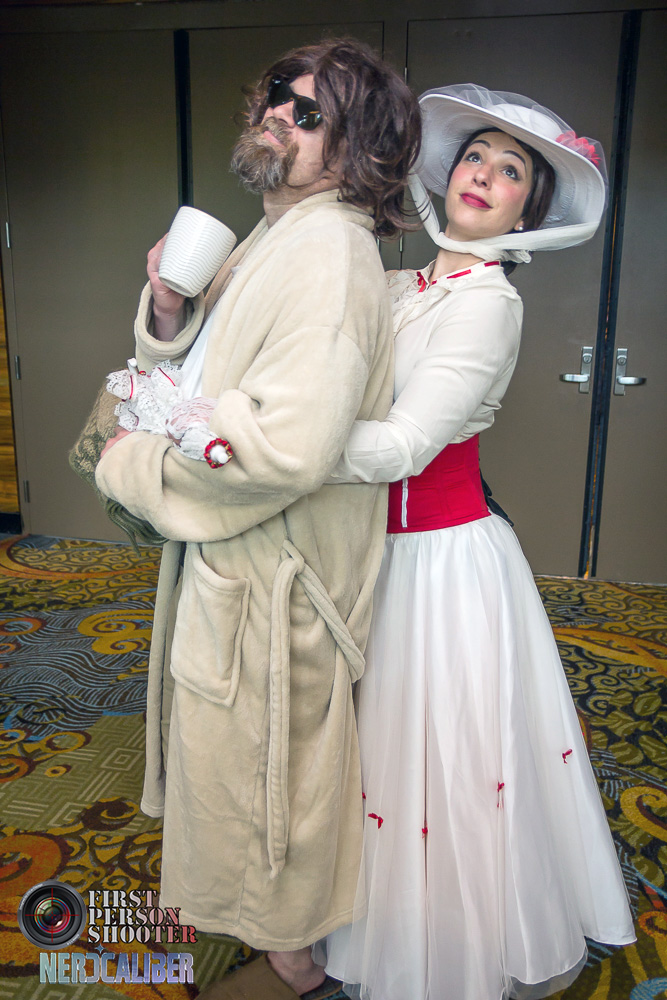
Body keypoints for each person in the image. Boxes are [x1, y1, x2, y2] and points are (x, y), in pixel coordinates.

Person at [94, 39, 421, 1000]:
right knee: (237, 776)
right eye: (279, 94)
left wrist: (130, 462)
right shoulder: (274, 234)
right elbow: (205, 377)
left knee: (273, 791)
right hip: (241, 569)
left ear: (357, 150)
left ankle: (299, 971)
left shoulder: (329, 254)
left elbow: (283, 448)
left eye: (309, 112)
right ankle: (286, 951)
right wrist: (168, 308)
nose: (280, 111)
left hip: (276, 582)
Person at [319, 84, 636, 1000]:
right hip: (367, 555)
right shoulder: (401, 286)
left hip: (442, 564)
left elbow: (402, 448)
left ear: (524, 215)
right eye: (475, 157)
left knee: (449, 761)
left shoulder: (488, 302)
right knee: (376, 758)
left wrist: (273, 452)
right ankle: (372, 926)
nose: (484, 176)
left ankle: (448, 950)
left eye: (510, 173)